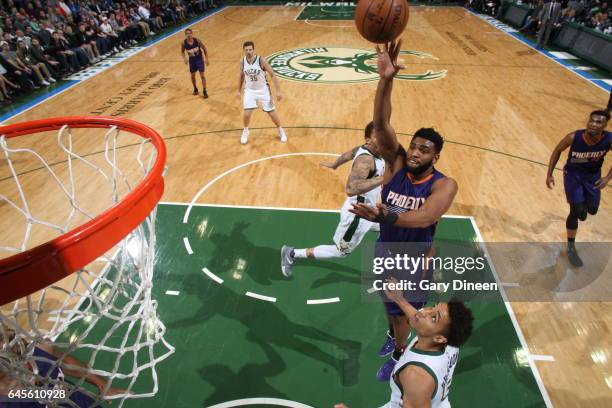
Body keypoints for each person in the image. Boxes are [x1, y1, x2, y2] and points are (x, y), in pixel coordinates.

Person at [349, 41, 458, 381]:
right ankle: (393, 335)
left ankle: (399, 352)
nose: (414, 152)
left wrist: (386, 216)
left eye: (424, 150)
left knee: (401, 315)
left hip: (415, 258)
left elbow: (425, 217)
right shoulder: (396, 164)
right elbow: (381, 124)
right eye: (413, 146)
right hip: (386, 249)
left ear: (435, 157)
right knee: (388, 306)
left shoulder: (444, 184)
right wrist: (386, 80)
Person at [335, 286, 474, 408]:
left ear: (439, 338)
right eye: (432, 308)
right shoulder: (450, 344)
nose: (424, 312)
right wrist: (399, 299)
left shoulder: (416, 376)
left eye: (434, 318)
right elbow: (417, 317)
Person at [281, 122, 384, 277]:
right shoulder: (365, 161)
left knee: (391, 225)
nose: (383, 140)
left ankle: (390, 260)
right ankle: (292, 253)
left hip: (371, 209)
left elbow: (347, 155)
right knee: (340, 251)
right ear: (368, 140)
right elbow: (351, 189)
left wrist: (335, 164)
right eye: (378, 137)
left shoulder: (368, 149)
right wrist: (384, 178)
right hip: (358, 215)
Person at [546, 110, 610, 266]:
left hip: (593, 177)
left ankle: (583, 208)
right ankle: (571, 247)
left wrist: (607, 178)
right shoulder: (574, 137)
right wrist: (550, 174)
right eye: (591, 121)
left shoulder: (609, 139)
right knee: (576, 212)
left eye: (598, 122)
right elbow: (557, 150)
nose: (593, 124)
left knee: (591, 211)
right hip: (573, 176)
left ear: (605, 126)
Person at [0, 328, 126, 407]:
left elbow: (65, 362)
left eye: (7, 338)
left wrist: (101, 383)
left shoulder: (38, 349)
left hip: (79, 401)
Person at [237, 41, 286, 144]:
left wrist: (278, 91)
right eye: (246, 50)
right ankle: (245, 131)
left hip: (263, 90)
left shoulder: (261, 60)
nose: (248, 52)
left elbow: (272, 74)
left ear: (254, 50)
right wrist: (238, 91)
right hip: (250, 90)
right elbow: (241, 76)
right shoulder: (242, 61)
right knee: (246, 114)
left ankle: (280, 130)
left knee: (271, 113)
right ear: (244, 51)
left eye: (250, 49)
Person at [180, 28, 209, 98]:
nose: (188, 35)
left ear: (192, 34)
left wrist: (207, 59)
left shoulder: (197, 41)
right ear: (185, 35)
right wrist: (184, 58)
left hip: (199, 60)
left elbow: (204, 48)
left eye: (189, 33)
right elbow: (182, 52)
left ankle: (204, 90)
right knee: (193, 76)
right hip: (192, 61)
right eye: (187, 34)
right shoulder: (183, 43)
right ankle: (195, 88)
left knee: (202, 75)